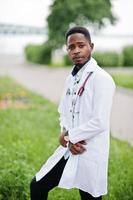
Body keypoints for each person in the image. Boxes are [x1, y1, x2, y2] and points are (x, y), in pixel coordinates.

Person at [30, 26, 116, 200]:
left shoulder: (102, 79)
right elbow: (64, 111)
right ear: (67, 50)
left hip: (89, 149)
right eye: (71, 47)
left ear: (91, 46)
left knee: (89, 195)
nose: (76, 51)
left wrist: (70, 136)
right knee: (37, 185)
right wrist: (66, 135)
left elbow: (100, 121)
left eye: (81, 45)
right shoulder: (71, 79)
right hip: (70, 148)